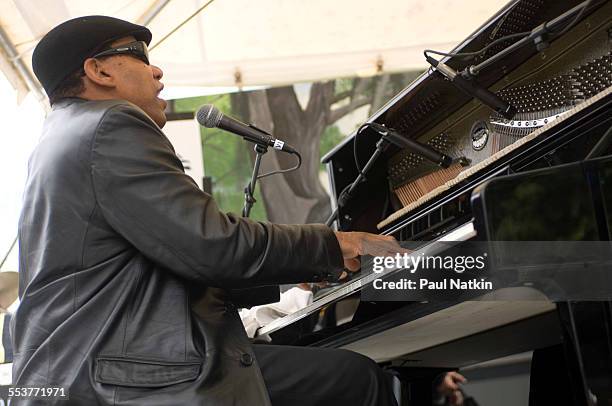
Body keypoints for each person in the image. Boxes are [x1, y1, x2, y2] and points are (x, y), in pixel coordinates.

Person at [13, 16, 403, 405]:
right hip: (119, 377)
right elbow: (211, 244)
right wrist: (333, 245)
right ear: (98, 70)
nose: (157, 70)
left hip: (83, 371)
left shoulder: (59, 138)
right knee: (356, 379)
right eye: (138, 56)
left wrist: (292, 275)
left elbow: (163, 266)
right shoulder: (110, 124)